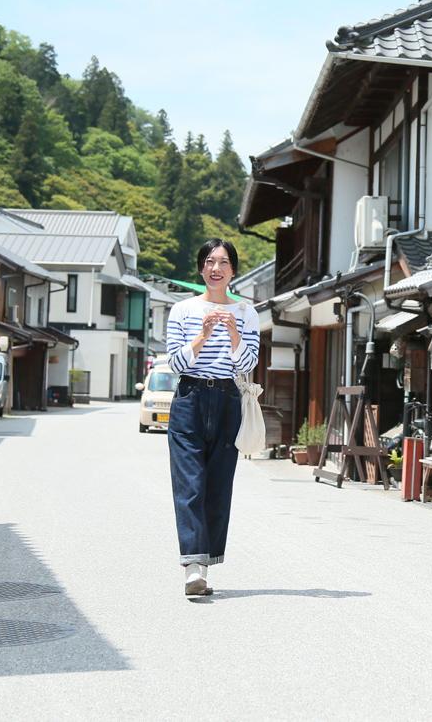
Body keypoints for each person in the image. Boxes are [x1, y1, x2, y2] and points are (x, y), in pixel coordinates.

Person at [165, 238, 260, 597]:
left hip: (227, 399)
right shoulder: (182, 310)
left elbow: (247, 364)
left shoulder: (247, 313)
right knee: (189, 485)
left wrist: (234, 334)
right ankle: (194, 567)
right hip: (189, 398)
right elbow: (175, 363)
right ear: (200, 268)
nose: (215, 268)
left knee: (218, 487)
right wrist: (202, 337)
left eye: (222, 262)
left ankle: (207, 557)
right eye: (208, 261)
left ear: (233, 270)